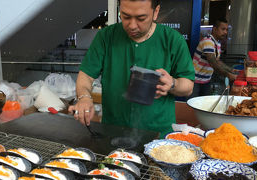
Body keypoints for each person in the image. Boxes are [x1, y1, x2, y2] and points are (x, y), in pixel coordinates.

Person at [68, 0, 195, 138]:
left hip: (158, 135)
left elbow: (188, 86)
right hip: (113, 131)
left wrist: (173, 84)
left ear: (156, 12)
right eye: (125, 16)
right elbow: (86, 76)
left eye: (141, 18)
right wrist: (84, 97)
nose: (132, 25)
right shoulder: (106, 37)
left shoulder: (173, 40)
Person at [191, 18, 237, 97]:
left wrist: (231, 70)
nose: (225, 32)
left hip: (206, 81)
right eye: (223, 29)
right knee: (192, 108)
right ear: (214, 29)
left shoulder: (217, 43)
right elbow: (213, 63)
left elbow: (217, 61)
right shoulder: (208, 41)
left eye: (226, 30)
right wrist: (228, 75)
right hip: (195, 82)